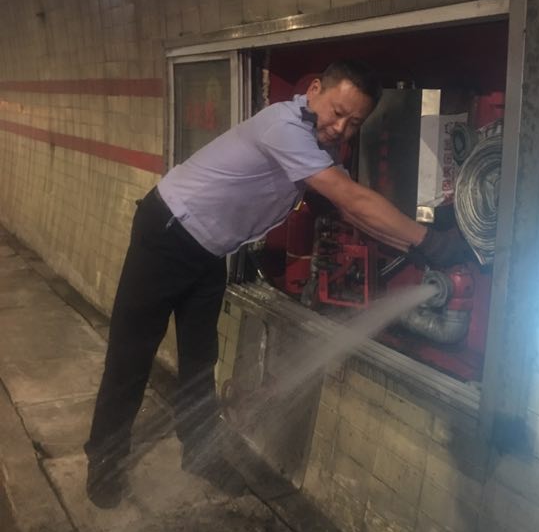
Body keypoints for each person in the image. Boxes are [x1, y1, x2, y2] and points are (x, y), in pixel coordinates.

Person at [85, 59, 470, 508]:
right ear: (314, 90)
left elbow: (350, 210)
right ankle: (104, 461)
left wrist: (417, 248)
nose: (341, 128)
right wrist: (430, 242)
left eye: (354, 123)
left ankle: (200, 453)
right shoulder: (284, 126)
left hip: (209, 250)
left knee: (200, 359)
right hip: (167, 234)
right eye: (337, 113)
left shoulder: (322, 148)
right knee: (131, 354)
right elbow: (351, 199)